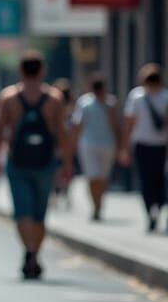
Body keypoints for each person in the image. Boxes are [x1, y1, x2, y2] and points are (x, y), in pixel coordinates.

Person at [0, 51, 73, 280]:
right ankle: (36, 252)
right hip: (46, 164)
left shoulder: (9, 98)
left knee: (22, 212)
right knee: (39, 212)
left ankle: (29, 251)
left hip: (17, 163)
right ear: (42, 71)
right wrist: (67, 164)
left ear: (21, 71)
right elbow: (63, 134)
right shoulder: (54, 99)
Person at [119, 64, 168, 232]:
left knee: (146, 180)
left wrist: (125, 148)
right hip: (161, 144)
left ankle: (150, 211)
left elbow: (129, 124)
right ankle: (158, 208)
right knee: (159, 178)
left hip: (142, 144)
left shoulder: (137, 96)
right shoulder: (165, 96)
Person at [70, 73, 119, 221]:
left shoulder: (110, 103)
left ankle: (100, 201)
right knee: (92, 176)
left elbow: (115, 125)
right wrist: (73, 144)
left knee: (103, 177)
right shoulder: (84, 102)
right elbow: (78, 124)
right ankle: (96, 205)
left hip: (107, 144)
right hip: (88, 145)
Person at [51, 77, 76, 208]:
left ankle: (56, 194)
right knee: (67, 166)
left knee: (56, 168)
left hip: (57, 142)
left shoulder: (54, 103)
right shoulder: (71, 106)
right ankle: (65, 193)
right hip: (67, 142)